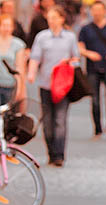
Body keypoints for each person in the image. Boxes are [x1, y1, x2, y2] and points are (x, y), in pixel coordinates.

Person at [27, 5, 78, 167]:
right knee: (48, 122)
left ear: (62, 19)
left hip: (63, 86)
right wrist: (31, 73)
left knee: (60, 120)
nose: (52, 20)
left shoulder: (70, 37)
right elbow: (35, 57)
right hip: (45, 84)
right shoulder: (42, 37)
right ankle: (51, 152)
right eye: (49, 17)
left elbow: (76, 59)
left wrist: (68, 62)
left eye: (55, 17)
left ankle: (59, 155)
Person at [78, 0, 106, 139]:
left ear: (105, 11)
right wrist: (89, 54)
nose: (96, 13)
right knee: (95, 99)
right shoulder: (86, 29)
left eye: (99, 10)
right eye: (94, 10)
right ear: (91, 12)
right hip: (92, 68)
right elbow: (79, 47)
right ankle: (97, 129)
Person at [0, 14, 25, 105]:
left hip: (9, 85)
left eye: (9, 26)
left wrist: (20, 89)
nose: (6, 28)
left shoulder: (18, 44)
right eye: (4, 25)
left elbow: (20, 68)